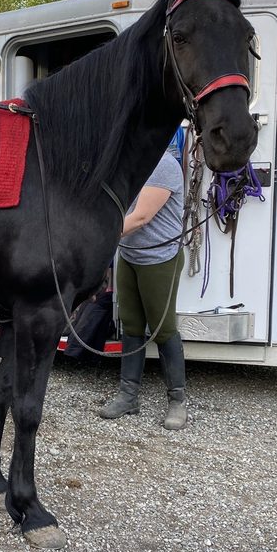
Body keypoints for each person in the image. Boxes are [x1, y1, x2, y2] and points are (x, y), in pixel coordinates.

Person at [98, 136, 187, 430]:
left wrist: (98, 238)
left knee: (163, 329)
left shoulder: (163, 165)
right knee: (131, 325)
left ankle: (177, 401)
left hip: (159, 258)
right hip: (130, 255)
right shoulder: (133, 164)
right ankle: (128, 396)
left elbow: (141, 217)